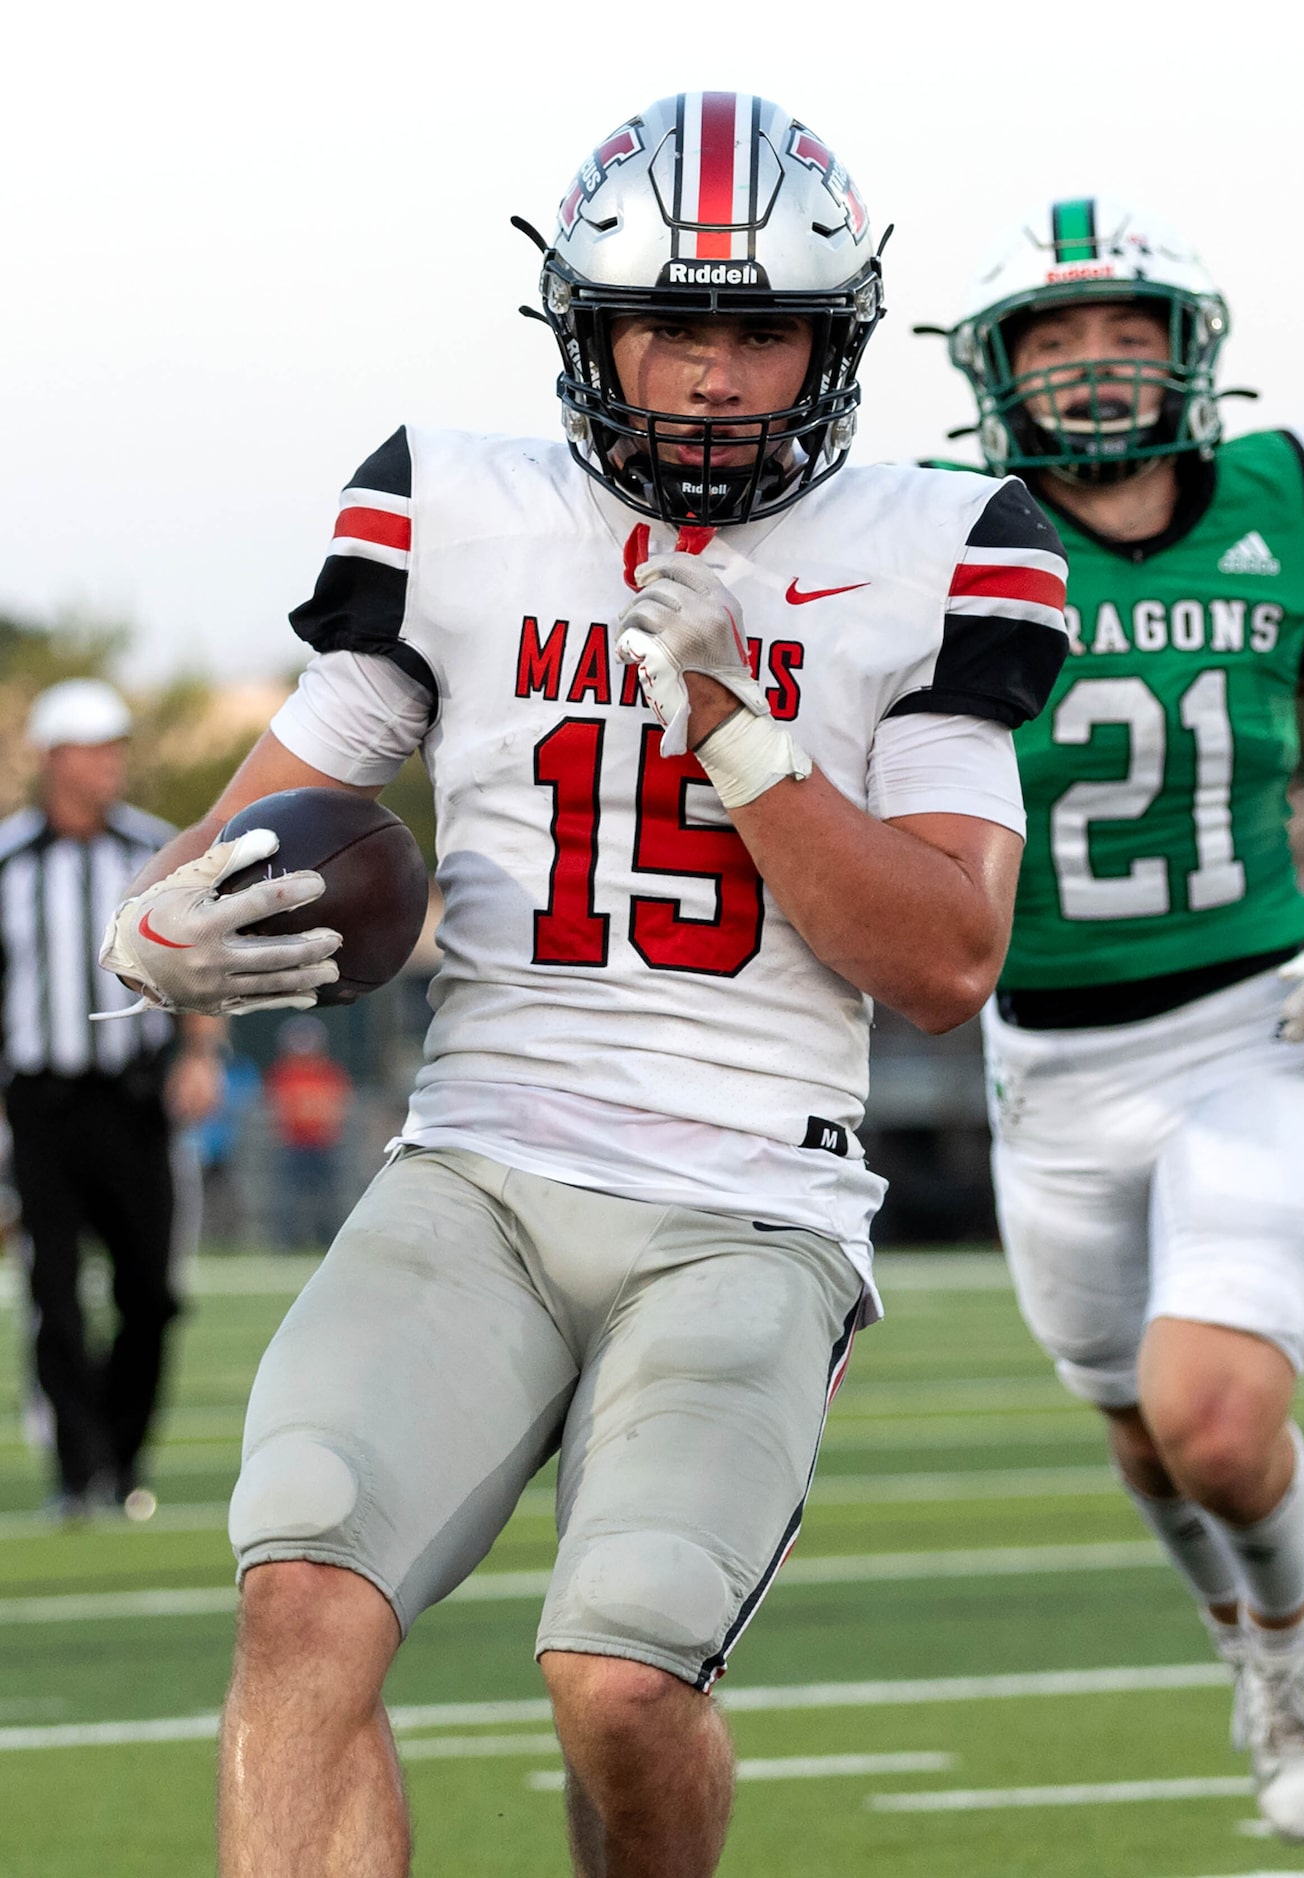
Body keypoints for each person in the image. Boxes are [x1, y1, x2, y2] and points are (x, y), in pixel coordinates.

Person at [100, 94, 1066, 1878]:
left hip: (750, 1194)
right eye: (672, 326)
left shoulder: (944, 539)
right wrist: (153, 934)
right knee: (303, 1583)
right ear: (590, 330)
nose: (711, 375)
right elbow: (239, 837)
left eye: (759, 329)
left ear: (830, 342)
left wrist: (736, 725)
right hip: (478, 1159)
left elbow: (943, 956)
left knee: (622, 1675)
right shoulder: (455, 509)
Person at [942, 200, 1304, 1843]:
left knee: (1217, 1419)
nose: (1093, 370)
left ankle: (1297, 1664)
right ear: (997, 375)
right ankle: (1238, 1626)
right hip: (1044, 1057)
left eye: (1124, 333)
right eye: (1052, 340)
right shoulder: (938, 540)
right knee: (1146, 1439)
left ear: (1189, 355)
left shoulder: (1284, 507)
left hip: (1258, 1023)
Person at [0, 679, 224, 1521]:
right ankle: (77, 1471)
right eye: (93, 750)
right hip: (41, 1102)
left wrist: (200, 1053)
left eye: (116, 748)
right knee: (52, 1292)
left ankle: (120, 1454)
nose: (110, 765)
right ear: (54, 759)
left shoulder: (156, 851)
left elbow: (201, 959)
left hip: (133, 1099)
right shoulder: (9, 859)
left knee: (150, 1292)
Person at [264, 1015, 354, 1250]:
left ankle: (329, 1241)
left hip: (323, 1145)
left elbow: (335, 1107)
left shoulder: (329, 1072)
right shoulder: (284, 1072)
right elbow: (282, 1107)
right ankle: (286, 1244)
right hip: (294, 1145)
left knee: (329, 1199)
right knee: (288, 1200)